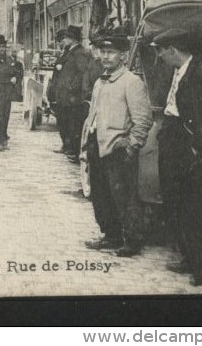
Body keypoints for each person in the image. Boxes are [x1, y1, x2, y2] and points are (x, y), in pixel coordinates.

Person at [153, 28, 202, 286]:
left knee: (194, 210)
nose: (160, 57)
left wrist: (199, 150)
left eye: (161, 52)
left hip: (191, 150)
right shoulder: (175, 71)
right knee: (174, 204)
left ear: (173, 50)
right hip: (173, 142)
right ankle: (188, 257)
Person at [81, 32, 153, 258]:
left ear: (123, 55)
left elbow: (143, 119)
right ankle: (110, 235)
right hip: (97, 146)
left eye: (111, 52)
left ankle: (132, 240)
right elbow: (93, 114)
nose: (106, 56)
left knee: (124, 197)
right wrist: (86, 142)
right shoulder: (100, 81)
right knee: (101, 196)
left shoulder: (131, 82)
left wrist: (132, 145)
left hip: (118, 148)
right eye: (103, 52)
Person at [47, 25, 94, 163]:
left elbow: (81, 73)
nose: (64, 40)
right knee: (64, 121)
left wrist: (71, 88)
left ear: (72, 39)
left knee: (73, 123)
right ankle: (67, 146)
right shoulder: (68, 52)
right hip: (64, 95)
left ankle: (73, 150)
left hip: (72, 96)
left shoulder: (79, 53)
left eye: (66, 38)